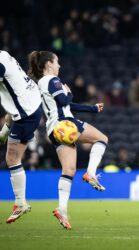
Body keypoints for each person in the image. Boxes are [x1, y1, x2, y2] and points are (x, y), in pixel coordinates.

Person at [28, 51, 108, 230]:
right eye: (57, 62)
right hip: (65, 124)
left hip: (53, 130)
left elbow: (64, 104)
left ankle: (62, 210)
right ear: (48, 63)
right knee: (102, 139)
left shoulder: (41, 83)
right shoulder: (52, 80)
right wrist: (68, 92)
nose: (59, 65)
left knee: (69, 170)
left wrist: (91, 108)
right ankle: (91, 172)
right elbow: (65, 99)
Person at [0, 50, 42, 223]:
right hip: (27, 105)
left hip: (27, 113)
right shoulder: (3, 54)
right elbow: (13, 88)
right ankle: (20, 202)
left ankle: (20, 203)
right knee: (11, 154)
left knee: (12, 158)